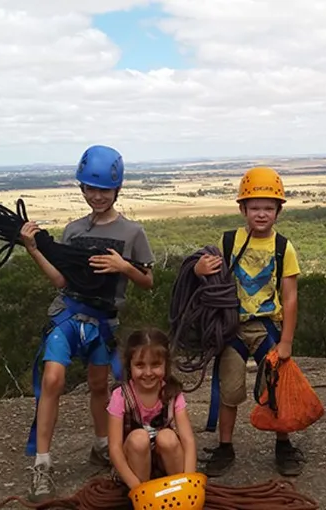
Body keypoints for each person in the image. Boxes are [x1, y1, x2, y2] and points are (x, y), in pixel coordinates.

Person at [19, 144, 155, 502]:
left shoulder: (132, 232)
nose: (96, 196)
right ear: (81, 189)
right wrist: (33, 250)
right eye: (90, 189)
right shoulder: (73, 230)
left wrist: (124, 267)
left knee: (100, 385)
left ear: (117, 190)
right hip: (68, 313)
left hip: (104, 320)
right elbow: (63, 282)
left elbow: (147, 281)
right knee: (52, 378)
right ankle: (42, 464)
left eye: (103, 190)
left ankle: (100, 445)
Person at [193, 166, 305, 477]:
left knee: (277, 388)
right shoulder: (228, 241)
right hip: (232, 328)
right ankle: (225, 446)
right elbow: (210, 279)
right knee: (229, 390)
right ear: (243, 208)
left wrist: (286, 341)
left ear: (278, 211)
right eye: (254, 207)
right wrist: (198, 270)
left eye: (269, 208)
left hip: (267, 326)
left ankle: (283, 444)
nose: (261, 214)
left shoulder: (284, 248)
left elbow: (291, 296)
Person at [107, 328, 197, 489]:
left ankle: (179, 488)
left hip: (163, 463)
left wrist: (189, 480)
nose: (148, 373)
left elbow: (188, 440)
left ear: (166, 365)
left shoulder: (172, 393)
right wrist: (136, 487)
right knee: (139, 439)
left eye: (155, 365)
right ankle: (144, 492)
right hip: (133, 467)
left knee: (168, 437)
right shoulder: (120, 396)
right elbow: (114, 448)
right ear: (130, 365)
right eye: (140, 365)